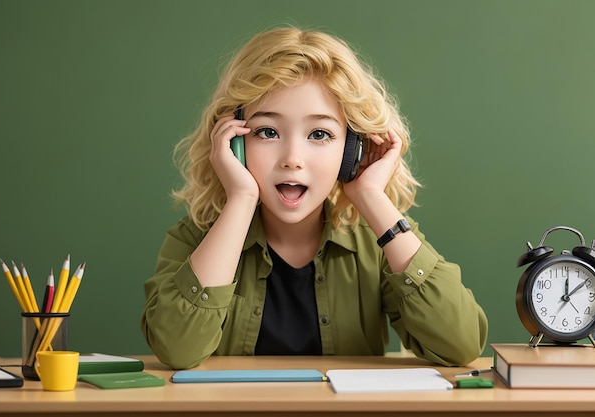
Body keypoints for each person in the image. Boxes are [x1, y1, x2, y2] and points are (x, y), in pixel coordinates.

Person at [140, 26, 488, 370]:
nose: (293, 158)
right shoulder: (195, 238)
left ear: (351, 150)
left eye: (319, 133)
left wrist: (371, 198)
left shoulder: (377, 242)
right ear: (234, 145)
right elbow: (178, 350)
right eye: (268, 132)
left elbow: (460, 345)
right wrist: (241, 199)